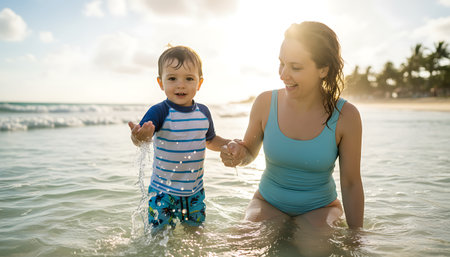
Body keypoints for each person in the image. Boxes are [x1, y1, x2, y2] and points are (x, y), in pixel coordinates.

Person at [220, 21, 364, 253]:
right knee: (241, 247)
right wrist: (237, 154)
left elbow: (351, 182)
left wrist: (356, 237)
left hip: (320, 209)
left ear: (323, 69)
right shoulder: (265, 103)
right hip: (267, 203)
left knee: (316, 250)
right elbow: (248, 153)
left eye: (295, 67)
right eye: (281, 63)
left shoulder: (346, 116)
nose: (283, 74)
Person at [128, 45, 230, 232]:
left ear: (199, 83)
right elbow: (141, 139)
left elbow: (210, 140)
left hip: (194, 192)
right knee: (158, 236)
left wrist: (228, 144)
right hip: (162, 192)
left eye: (189, 79)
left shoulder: (203, 112)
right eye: (172, 78)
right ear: (161, 83)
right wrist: (139, 137)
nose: (180, 85)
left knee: (196, 233)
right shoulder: (159, 111)